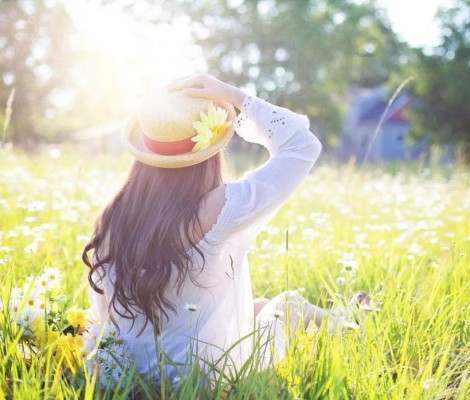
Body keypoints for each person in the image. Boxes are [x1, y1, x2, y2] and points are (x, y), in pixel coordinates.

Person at [82, 74, 356, 384]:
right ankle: (348, 322)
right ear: (209, 151)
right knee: (288, 306)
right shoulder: (220, 207)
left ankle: (344, 317)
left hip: (131, 372)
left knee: (259, 308)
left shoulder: (113, 214)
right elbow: (302, 145)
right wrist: (238, 97)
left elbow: (103, 313)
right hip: (206, 376)